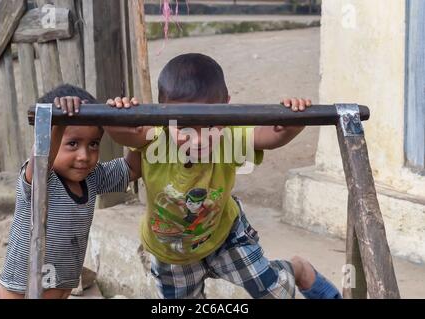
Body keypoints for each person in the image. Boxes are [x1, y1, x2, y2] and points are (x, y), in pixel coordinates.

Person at [109, 53, 342, 299]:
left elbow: (268, 137)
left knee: (275, 292)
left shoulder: (229, 137)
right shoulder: (154, 138)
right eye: (184, 126)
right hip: (171, 253)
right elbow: (124, 133)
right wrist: (118, 114)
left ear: (227, 108)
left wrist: (291, 125)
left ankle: (298, 269)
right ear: (161, 115)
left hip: (225, 236)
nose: (198, 139)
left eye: (210, 125)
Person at [0, 84, 141, 299]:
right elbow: (43, 157)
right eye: (72, 143)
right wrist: (56, 121)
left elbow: (132, 168)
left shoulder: (93, 178)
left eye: (93, 144)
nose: (84, 155)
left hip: (62, 289)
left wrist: (128, 125)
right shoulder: (42, 180)